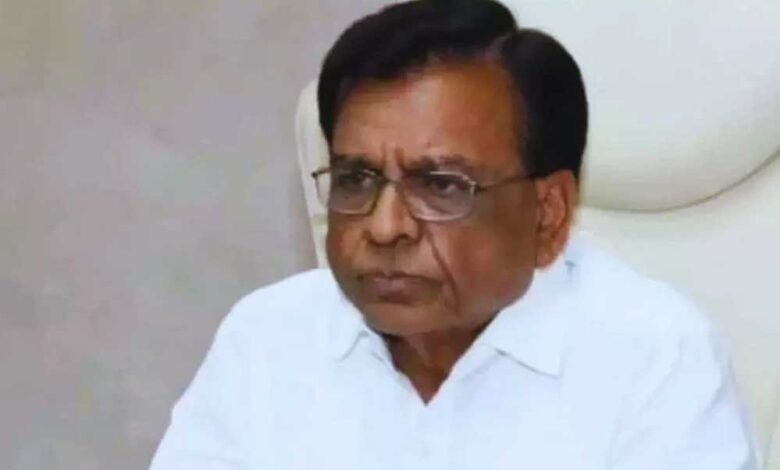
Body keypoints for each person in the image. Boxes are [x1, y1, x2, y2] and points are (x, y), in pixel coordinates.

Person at [150, 0, 759, 468]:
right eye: (356, 179)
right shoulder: (268, 339)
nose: (384, 227)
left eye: (441, 186)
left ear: (548, 213)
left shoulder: (655, 360)